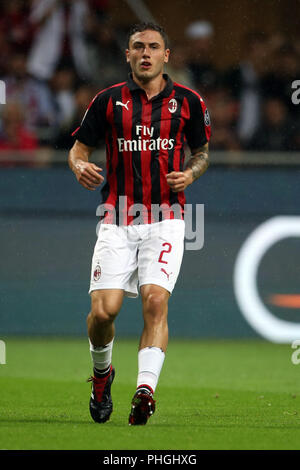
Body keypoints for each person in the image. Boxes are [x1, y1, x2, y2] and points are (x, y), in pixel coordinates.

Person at [68, 22, 211, 426]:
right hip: (117, 216)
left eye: (153, 47)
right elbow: (79, 148)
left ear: (167, 55)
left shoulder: (188, 102)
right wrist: (79, 165)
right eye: (137, 47)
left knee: (155, 300)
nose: (145, 53)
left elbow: (201, 151)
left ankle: (145, 389)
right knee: (103, 312)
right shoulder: (108, 101)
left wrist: (192, 173)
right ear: (127, 55)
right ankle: (102, 375)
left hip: (166, 217)